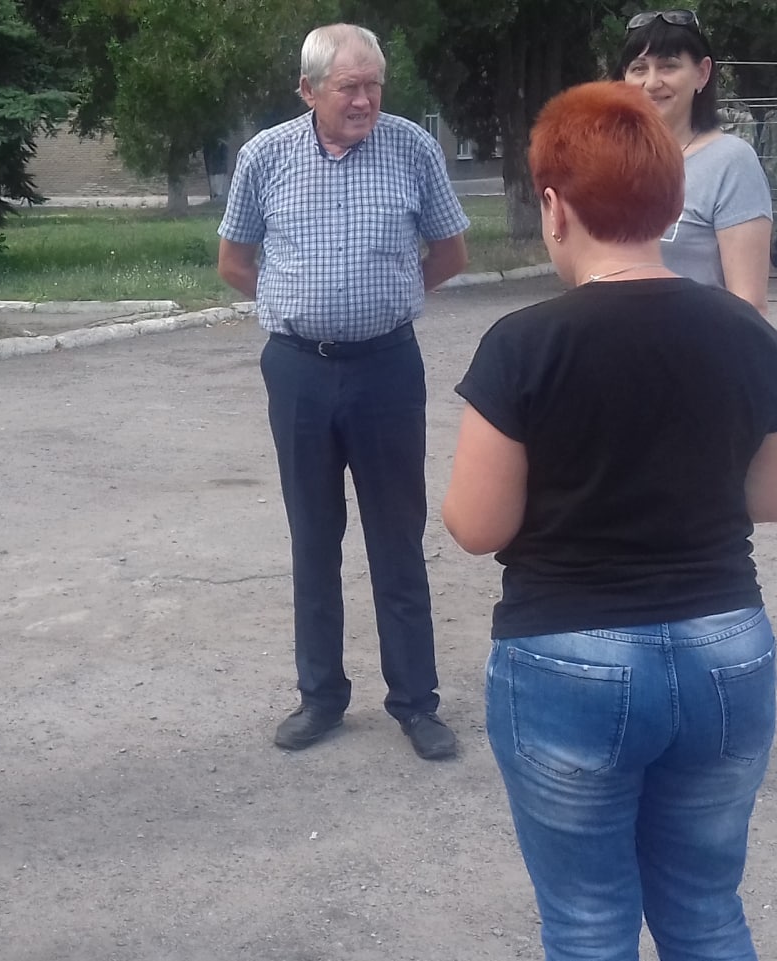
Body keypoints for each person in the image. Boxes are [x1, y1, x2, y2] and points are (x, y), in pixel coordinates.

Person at [444, 80, 777, 961]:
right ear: (670, 202)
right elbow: (770, 497)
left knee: (589, 923)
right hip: (725, 648)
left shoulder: (524, 343)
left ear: (555, 209)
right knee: (707, 912)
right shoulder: (748, 332)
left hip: (569, 655)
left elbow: (477, 525)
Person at [217, 23, 469, 760]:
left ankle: (416, 703)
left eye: (373, 86)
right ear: (308, 90)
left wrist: (389, 297)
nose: (363, 101)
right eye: (348, 87)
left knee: (397, 537)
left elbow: (451, 252)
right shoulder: (265, 156)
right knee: (313, 535)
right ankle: (321, 697)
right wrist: (295, 303)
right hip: (298, 370)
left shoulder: (412, 148)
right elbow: (234, 261)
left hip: (387, 367)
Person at [614, 9, 773, 316]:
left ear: (702, 73)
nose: (651, 82)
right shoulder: (608, 158)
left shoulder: (730, 162)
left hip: (698, 343)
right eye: (638, 68)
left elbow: (748, 304)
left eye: (668, 66)